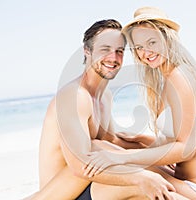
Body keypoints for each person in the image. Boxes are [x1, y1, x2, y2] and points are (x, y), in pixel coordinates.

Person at [25, 19, 183, 200]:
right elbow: (79, 165)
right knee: (150, 187)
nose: (113, 58)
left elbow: (112, 143)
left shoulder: (105, 96)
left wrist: (150, 146)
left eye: (119, 51)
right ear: (87, 51)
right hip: (65, 194)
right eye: (105, 49)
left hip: (88, 185)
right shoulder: (74, 97)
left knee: (156, 179)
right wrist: (140, 177)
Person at [83, 7, 196, 200]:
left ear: (167, 39)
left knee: (107, 153)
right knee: (107, 145)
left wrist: (124, 156)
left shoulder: (179, 78)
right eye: (139, 47)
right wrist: (142, 139)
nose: (145, 52)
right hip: (181, 181)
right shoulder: (167, 78)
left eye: (152, 42)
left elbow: (186, 150)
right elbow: (182, 136)